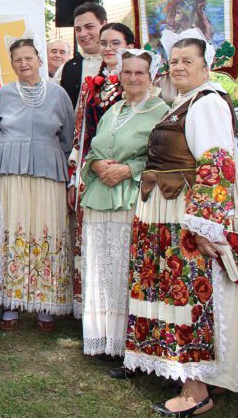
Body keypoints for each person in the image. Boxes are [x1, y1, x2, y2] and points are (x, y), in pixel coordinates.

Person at [124, 29, 238, 416]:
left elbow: (218, 164)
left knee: (191, 294)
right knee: (180, 294)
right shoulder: (185, 100)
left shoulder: (206, 102)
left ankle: (196, 390)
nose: (179, 67)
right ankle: (201, 377)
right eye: (173, 61)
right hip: (170, 211)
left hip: (189, 214)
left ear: (206, 67)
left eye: (188, 60)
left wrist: (207, 226)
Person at [77, 50, 166, 365]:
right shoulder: (113, 110)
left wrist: (129, 170)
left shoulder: (161, 111)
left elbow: (162, 159)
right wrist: (98, 165)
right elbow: (91, 152)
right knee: (100, 268)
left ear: (151, 76)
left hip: (132, 199)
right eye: (127, 72)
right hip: (100, 199)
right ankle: (101, 337)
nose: (132, 78)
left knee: (125, 269)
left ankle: (126, 341)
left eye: (139, 73)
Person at [0, 35, 74, 331]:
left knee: (45, 230)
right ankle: (10, 304)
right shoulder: (2, 94)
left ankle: (45, 306)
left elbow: (68, 138)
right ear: (11, 65)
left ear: (39, 59)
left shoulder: (59, 94)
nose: (23, 64)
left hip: (49, 171)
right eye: (17, 60)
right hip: (9, 171)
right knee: (12, 231)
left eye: (28, 58)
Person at [68, 22, 135, 317]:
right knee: (93, 241)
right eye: (104, 43)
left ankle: (122, 313)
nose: (109, 48)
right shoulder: (92, 84)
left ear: (129, 46)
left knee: (122, 245)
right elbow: (80, 132)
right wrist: (79, 172)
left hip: (125, 171)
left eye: (115, 43)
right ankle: (95, 312)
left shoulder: (138, 82)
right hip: (94, 169)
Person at [57, 2, 107, 106]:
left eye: (89, 27)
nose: (83, 34)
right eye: (78, 29)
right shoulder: (67, 68)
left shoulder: (120, 64)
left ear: (104, 25)